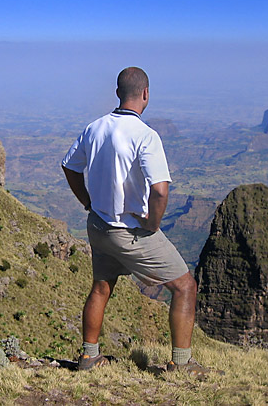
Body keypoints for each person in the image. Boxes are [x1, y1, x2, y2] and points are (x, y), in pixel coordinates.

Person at [61, 67, 217, 375]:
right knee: (185, 286)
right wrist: (153, 224)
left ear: (118, 93)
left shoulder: (94, 128)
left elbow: (70, 167)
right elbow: (160, 190)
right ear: (145, 94)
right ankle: (182, 364)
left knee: (101, 287)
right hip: (130, 231)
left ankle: (89, 357)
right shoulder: (145, 136)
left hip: (98, 226)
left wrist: (87, 201)